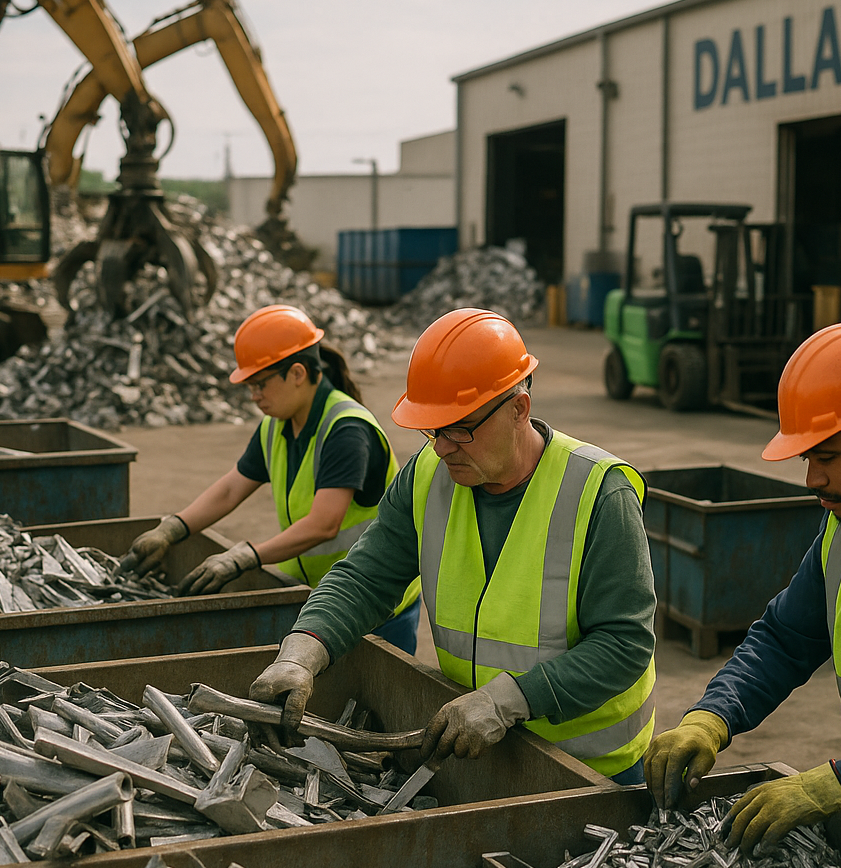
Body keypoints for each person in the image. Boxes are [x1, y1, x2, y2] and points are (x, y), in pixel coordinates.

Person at [249, 307, 657, 783]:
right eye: (433, 429)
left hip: (592, 768)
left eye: (460, 428)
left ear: (518, 409)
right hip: (479, 753)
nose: (442, 447)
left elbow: (623, 644)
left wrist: (506, 701)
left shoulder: (598, 492)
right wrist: (299, 654)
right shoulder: (427, 476)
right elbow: (364, 578)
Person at [645, 322, 841, 850]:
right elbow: (785, 639)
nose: (811, 480)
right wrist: (711, 717)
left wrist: (836, 784)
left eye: (826, 457)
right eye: (808, 459)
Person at [120, 304, 422, 654]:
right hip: (317, 599)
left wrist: (246, 556)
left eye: (260, 384)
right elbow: (232, 488)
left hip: (371, 605)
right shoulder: (276, 426)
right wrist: (171, 529)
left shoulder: (346, 430)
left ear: (296, 373)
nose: (254, 396)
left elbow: (323, 525)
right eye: (249, 386)